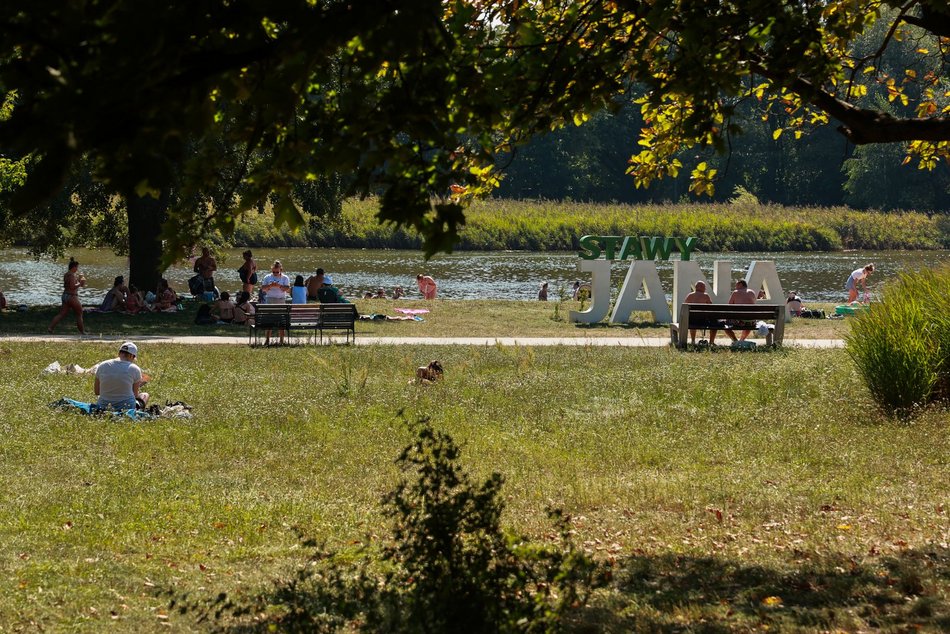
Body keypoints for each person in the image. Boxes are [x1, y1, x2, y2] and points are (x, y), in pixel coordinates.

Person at [94, 341, 148, 410]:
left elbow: (97, 392)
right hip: (126, 407)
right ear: (132, 356)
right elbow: (135, 395)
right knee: (145, 395)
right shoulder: (134, 369)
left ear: (119, 353)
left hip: (103, 406)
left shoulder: (102, 365)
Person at [49, 257, 86, 335]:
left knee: (61, 314)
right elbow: (72, 287)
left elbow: (69, 285)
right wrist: (81, 283)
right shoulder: (72, 275)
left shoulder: (67, 274)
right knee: (79, 313)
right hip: (72, 296)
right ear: (74, 267)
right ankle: (82, 332)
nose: (77, 269)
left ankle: (50, 328)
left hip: (65, 295)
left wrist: (79, 282)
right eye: (77, 267)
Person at [261, 260, 291, 344]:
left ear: (281, 270)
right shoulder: (267, 277)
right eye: (273, 272)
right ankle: (267, 340)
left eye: (277, 272)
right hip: (270, 299)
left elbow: (288, 289)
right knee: (269, 320)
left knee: (281, 321)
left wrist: (279, 286)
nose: (275, 273)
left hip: (280, 300)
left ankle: (281, 340)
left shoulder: (285, 278)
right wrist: (270, 286)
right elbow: (263, 288)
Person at [684, 280, 719, 345]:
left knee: (693, 318)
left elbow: (685, 307)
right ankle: (711, 342)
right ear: (701, 287)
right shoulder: (706, 296)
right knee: (715, 323)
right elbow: (711, 307)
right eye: (704, 287)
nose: (705, 289)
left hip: (691, 320)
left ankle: (693, 341)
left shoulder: (690, 295)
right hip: (703, 320)